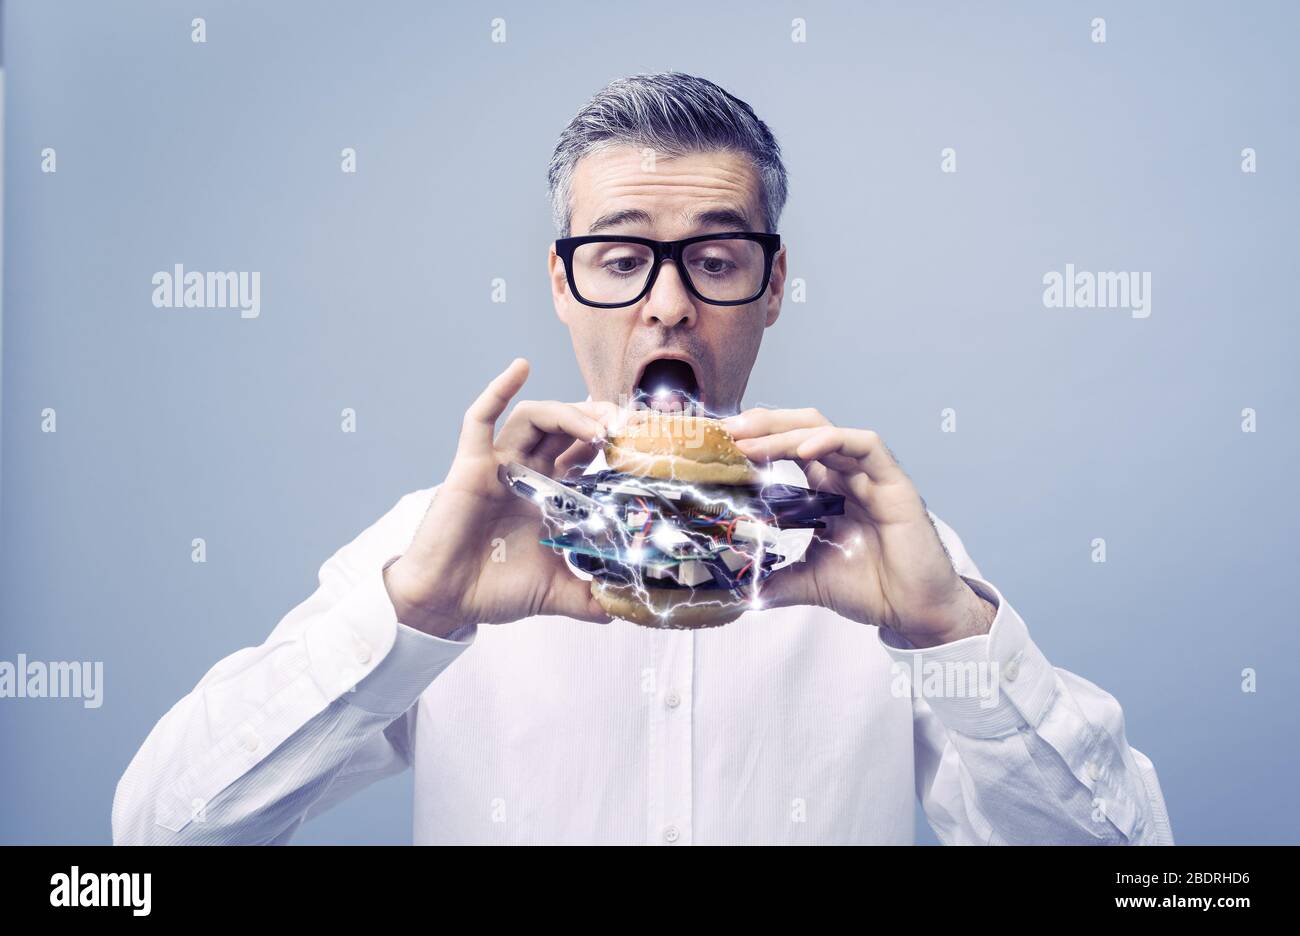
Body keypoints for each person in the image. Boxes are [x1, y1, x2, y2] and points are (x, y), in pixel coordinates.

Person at [112, 72, 1173, 845]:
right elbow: (152, 843)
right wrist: (414, 615)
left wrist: (953, 636)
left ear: (772, 285)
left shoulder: (889, 560)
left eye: (715, 261)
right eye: (621, 260)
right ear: (565, 284)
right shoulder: (443, 543)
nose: (668, 303)